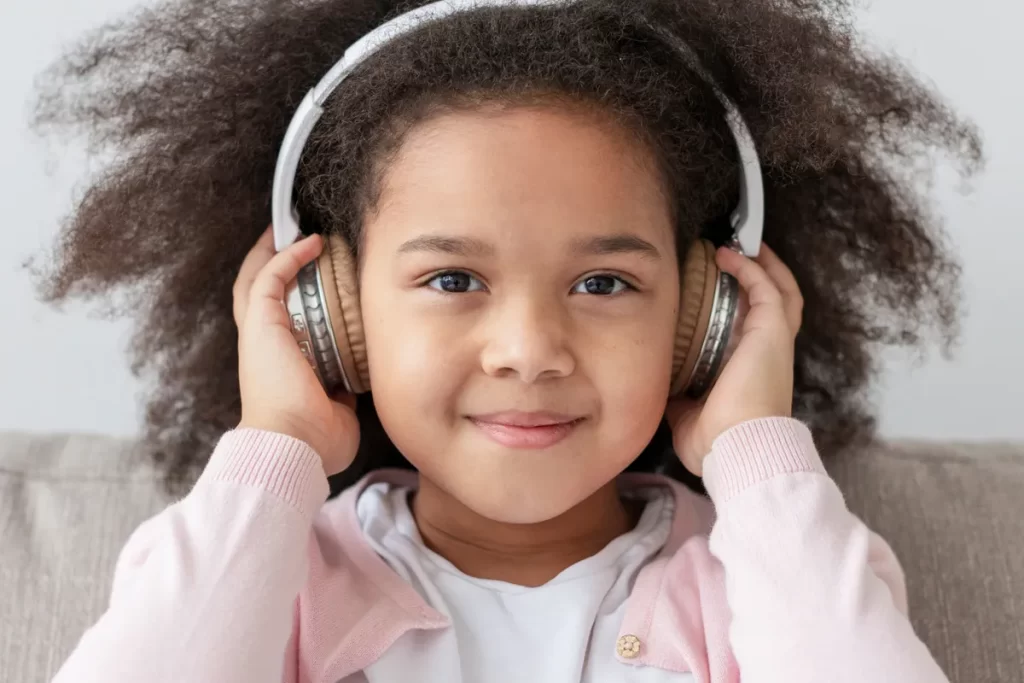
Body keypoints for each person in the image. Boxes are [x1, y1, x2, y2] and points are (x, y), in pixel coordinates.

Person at [33, 0, 981, 681]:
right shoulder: (267, 572)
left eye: (603, 283)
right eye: (453, 280)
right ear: (334, 314)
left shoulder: (771, 571)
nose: (529, 350)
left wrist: (753, 449)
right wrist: (279, 438)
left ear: (702, 320)